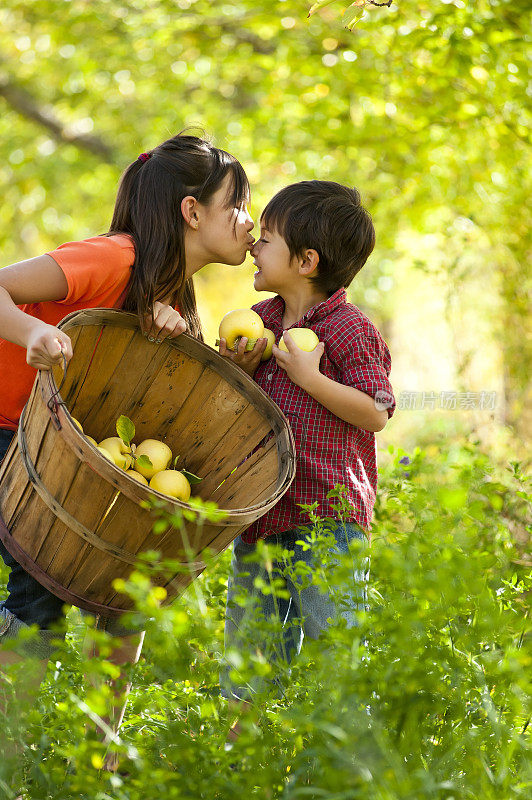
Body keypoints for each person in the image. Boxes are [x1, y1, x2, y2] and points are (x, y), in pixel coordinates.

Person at [0, 132, 254, 769]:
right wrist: (34, 330)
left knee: (125, 594)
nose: (248, 222)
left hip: (64, 444)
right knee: (38, 595)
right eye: (238, 205)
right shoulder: (114, 257)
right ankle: (14, 759)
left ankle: (97, 760)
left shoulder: (168, 289)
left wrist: (173, 340)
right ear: (192, 213)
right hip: (10, 431)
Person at [218, 180, 395, 727]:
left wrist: (311, 379)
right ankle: (242, 760)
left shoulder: (348, 329)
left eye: (266, 238)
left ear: (306, 260)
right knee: (250, 654)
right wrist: (241, 369)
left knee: (335, 646)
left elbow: (375, 411)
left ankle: (342, 762)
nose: (253, 245)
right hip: (263, 515)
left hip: (327, 519)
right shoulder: (261, 320)